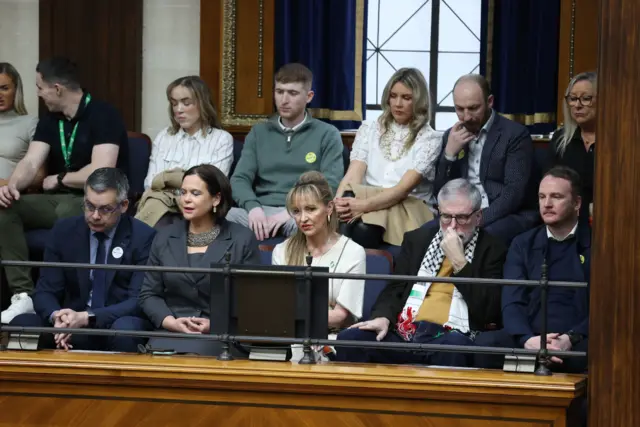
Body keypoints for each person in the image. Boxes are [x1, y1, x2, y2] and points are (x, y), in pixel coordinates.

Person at [0, 57, 129, 324]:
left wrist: (60, 178)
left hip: (94, 200)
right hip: (56, 199)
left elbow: (101, 172)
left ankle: (73, 299)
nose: (37, 93)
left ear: (57, 88)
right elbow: (31, 161)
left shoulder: (104, 114)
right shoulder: (52, 120)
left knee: (70, 218)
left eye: (40, 87)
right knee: (4, 208)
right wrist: (11, 187)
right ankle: (23, 294)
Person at [335, 179, 507, 367]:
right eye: (446, 217)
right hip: (405, 331)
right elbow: (394, 290)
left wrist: (459, 261)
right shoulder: (418, 240)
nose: (452, 226)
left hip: (452, 336)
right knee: (351, 340)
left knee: (455, 348)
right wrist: (382, 317)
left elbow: (489, 311)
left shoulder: (494, 249)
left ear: (478, 216)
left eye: (462, 218)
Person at [9, 168, 155, 352]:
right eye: (89, 206)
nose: (95, 215)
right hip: (69, 324)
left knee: (126, 330)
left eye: (105, 209)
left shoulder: (143, 237)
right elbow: (46, 290)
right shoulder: (64, 230)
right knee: (21, 324)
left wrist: (88, 317)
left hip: (113, 324)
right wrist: (58, 318)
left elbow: (139, 301)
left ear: (124, 205)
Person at [139, 164, 261, 355]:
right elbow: (149, 294)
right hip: (171, 333)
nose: (186, 199)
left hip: (221, 335)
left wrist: (217, 324)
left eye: (195, 193)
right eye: (183, 192)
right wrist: (170, 322)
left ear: (216, 198)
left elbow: (252, 302)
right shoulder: (164, 236)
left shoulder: (242, 239)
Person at [487, 166, 589, 373]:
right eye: (542, 197)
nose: (547, 204)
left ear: (577, 203)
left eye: (556, 197)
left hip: (578, 340)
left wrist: (570, 338)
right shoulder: (522, 243)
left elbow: (607, 307)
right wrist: (527, 340)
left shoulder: (600, 244)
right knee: (483, 347)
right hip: (531, 338)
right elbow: (511, 300)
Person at [228, 63, 344, 241]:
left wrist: (292, 212)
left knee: (312, 223)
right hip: (261, 210)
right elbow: (239, 179)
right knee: (224, 218)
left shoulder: (327, 134)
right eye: (279, 91)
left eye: (293, 93)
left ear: (309, 96)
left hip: (302, 212)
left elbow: (330, 184)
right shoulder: (258, 133)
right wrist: (253, 208)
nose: (284, 100)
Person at [334, 68, 442, 249]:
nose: (398, 103)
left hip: (408, 204)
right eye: (393, 96)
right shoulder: (370, 128)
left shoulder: (429, 138)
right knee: (345, 202)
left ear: (419, 101)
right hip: (367, 197)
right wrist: (337, 204)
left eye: (406, 98)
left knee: (363, 229)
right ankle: (335, 266)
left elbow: (401, 190)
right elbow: (353, 175)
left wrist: (362, 206)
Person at [433, 74, 538, 245]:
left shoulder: (515, 135)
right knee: (420, 236)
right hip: (459, 215)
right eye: (459, 109)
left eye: (473, 108)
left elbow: (513, 193)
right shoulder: (451, 136)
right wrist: (449, 155)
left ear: (489, 102)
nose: (466, 116)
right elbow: (440, 193)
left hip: (505, 214)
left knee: (480, 240)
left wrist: (475, 220)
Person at [272, 171, 366, 360]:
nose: (303, 218)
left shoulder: (353, 252)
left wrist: (294, 315)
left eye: (311, 209)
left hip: (335, 339)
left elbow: (340, 316)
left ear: (329, 208)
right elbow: (278, 310)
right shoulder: (281, 251)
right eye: (297, 211)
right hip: (288, 340)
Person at [136, 76, 233, 228]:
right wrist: (186, 182)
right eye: (174, 104)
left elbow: (213, 185)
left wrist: (168, 180)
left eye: (186, 103)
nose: (178, 109)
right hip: (162, 207)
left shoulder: (221, 139)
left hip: (199, 210)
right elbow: (151, 183)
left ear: (202, 104)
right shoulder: (164, 137)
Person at [548, 71, 597, 224]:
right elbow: (549, 183)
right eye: (573, 99)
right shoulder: (560, 140)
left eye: (586, 99)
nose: (577, 105)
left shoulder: (620, 141)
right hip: (567, 218)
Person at [0, 62, 38, 184]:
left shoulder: (30, 123)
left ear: (16, 90)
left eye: (4, 88)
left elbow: (39, 174)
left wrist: (7, 184)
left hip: (10, 193)